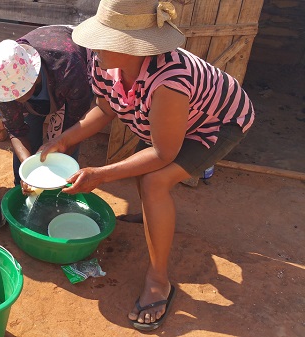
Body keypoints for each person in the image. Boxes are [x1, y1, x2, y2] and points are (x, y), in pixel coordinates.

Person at [39, 0, 255, 331]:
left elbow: (164, 153)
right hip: (165, 124)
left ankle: (158, 281)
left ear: (135, 48)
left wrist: (101, 174)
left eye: (106, 40)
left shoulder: (169, 81)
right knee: (146, 180)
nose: (96, 47)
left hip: (215, 121)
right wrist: (65, 139)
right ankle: (153, 216)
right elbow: (105, 109)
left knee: (155, 181)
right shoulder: (103, 63)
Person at [0, 25, 94, 187]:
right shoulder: (3, 76)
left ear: (34, 76)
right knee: (29, 134)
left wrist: (51, 179)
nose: (16, 98)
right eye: (11, 94)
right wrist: (29, 169)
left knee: (64, 142)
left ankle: (61, 190)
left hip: (70, 69)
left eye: (20, 91)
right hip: (51, 71)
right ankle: (20, 186)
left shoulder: (69, 68)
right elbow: (16, 130)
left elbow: (75, 128)